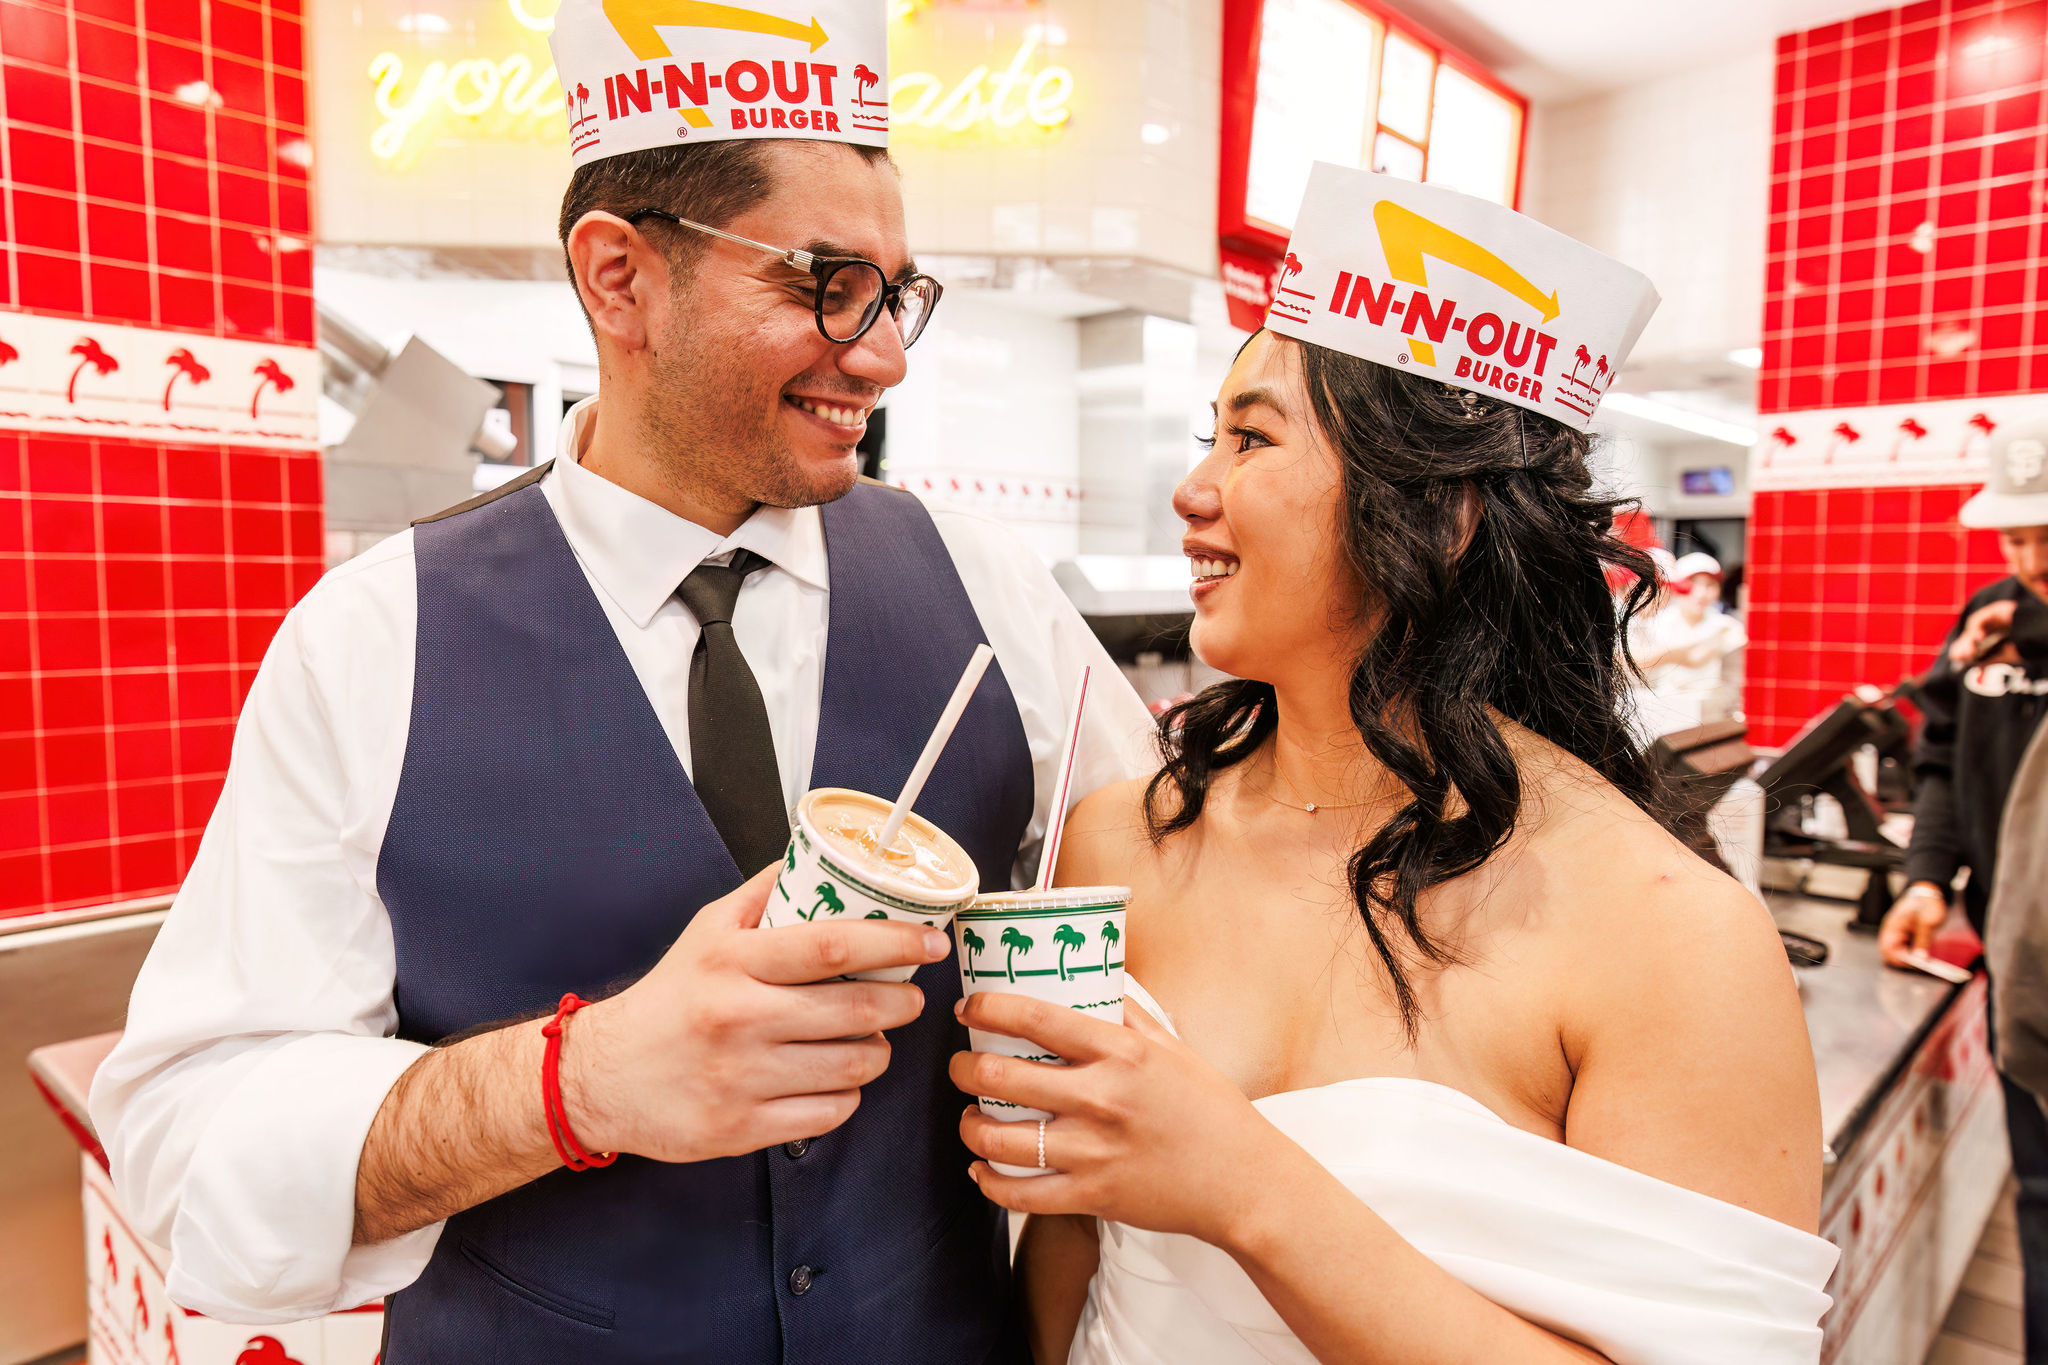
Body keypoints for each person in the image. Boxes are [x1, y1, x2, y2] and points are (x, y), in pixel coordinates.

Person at [88, 2, 1153, 1360]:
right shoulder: (372, 640)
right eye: (824, 282)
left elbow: (1162, 903)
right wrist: (572, 1085)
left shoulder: (990, 594)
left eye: (897, 295)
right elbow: (189, 1149)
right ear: (618, 278)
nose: (880, 355)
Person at [950, 165, 1837, 1364]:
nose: (1191, 488)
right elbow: (1075, 1245)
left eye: (1250, 437)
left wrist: (1241, 1186)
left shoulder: (1669, 936)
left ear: (1437, 513)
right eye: (1209, 434)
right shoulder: (1114, 838)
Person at [1881, 418, 2048, 1362]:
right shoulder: (1989, 618)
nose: (2029, 561)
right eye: (2016, 538)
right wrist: (1926, 880)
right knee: (2042, 1199)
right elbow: (1942, 765)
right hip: (2021, 967)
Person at [1630, 551, 1747, 733]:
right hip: (1659, 719)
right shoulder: (1655, 624)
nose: (1701, 593)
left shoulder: (1729, 628)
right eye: (1692, 583)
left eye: (1710, 585)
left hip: (1708, 721)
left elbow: (1737, 683)